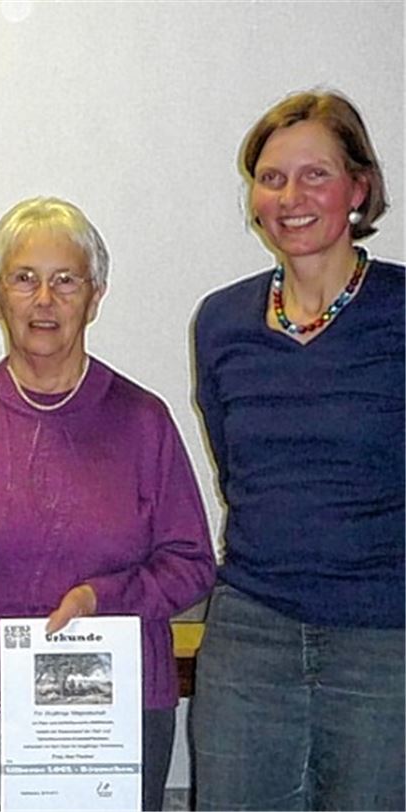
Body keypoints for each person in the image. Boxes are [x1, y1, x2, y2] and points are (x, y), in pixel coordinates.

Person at [0, 197, 215, 811]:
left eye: (65, 281)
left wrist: (102, 598)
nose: (44, 300)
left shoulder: (144, 421)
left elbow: (191, 564)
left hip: (111, 717)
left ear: (96, 294)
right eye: (24, 279)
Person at [190, 90, 404, 811]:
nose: (291, 196)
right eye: (272, 177)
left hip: (384, 638)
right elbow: (240, 468)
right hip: (251, 633)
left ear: (359, 187)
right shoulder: (221, 321)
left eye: (316, 174)